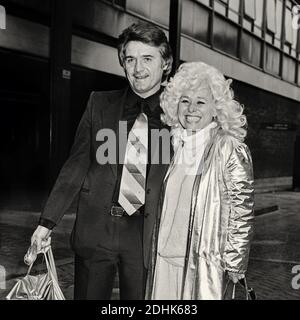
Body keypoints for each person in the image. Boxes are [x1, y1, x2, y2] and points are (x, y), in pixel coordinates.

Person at [30, 21, 173, 300]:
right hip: (97, 231)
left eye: (147, 58)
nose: (138, 68)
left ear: (165, 63)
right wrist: (47, 222)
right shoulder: (99, 104)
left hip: (147, 236)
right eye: (130, 59)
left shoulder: (180, 115)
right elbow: (76, 166)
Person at [145, 61, 254, 300]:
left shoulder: (229, 148)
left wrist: (235, 262)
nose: (191, 108)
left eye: (201, 101)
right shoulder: (171, 144)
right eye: (185, 100)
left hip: (203, 266)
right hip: (163, 261)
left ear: (216, 108)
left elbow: (241, 210)